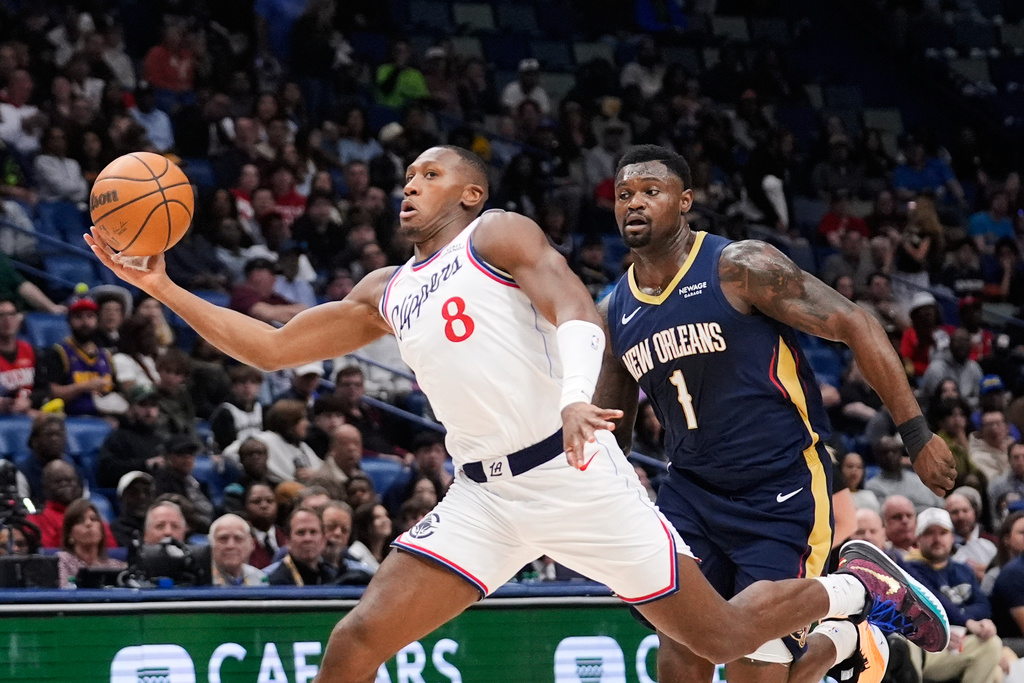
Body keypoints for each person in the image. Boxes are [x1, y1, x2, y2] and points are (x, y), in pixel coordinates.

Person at [87, 144, 949, 681]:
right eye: (405, 177)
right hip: (484, 497)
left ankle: (854, 587)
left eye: (430, 173)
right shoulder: (388, 290)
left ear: (470, 192)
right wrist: (162, 286)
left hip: (576, 474)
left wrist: (579, 395)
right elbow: (270, 346)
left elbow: (576, 308)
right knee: (352, 645)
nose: (409, 186)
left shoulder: (496, 235)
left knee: (720, 640)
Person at [595, 145, 955, 683]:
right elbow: (611, 434)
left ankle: (849, 624)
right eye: (625, 195)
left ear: (686, 201)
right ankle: (848, 632)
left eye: (652, 191)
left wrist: (917, 432)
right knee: (678, 658)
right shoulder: (613, 312)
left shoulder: (740, 267)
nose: (635, 204)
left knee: (756, 671)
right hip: (690, 491)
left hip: (779, 485)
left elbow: (854, 323)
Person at [904, 508, 1005, 683]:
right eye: (929, 533)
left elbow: (983, 607)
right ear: (918, 539)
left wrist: (967, 619)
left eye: (943, 533)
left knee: (994, 651)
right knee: (992, 651)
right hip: (927, 648)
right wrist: (966, 622)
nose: (937, 539)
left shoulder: (963, 570)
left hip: (961, 642)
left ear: (952, 537)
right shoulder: (909, 570)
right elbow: (934, 602)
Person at [39, 296, 120, 417]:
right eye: (78, 317)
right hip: (70, 418)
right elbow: (52, 393)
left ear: (97, 320)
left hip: (104, 418)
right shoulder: (58, 352)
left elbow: (116, 391)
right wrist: (85, 386)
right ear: (69, 321)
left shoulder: (106, 355)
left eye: (90, 316)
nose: (85, 322)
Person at [28, 460, 116, 549]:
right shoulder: (38, 518)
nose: (64, 484)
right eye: (57, 481)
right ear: (45, 487)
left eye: (69, 480)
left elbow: (111, 549)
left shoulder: (90, 515)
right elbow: (49, 555)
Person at [56, 498, 126, 587]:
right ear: (69, 534)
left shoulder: (116, 567)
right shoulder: (60, 562)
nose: (89, 523)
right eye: (80, 521)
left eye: (93, 519)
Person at [265, 506, 336, 586]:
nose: (308, 538)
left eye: (313, 532)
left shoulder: (334, 577)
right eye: (301, 532)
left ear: (324, 540)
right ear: (288, 541)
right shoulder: (275, 582)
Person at [0, 297, 38, 415]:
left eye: (11, 314)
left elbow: (45, 388)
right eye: (1, 315)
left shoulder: (31, 350)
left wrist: (30, 401)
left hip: (29, 410)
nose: (7, 320)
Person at [208, 513, 266, 587]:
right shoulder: (199, 578)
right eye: (223, 538)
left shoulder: (259, 578)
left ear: (251, 545)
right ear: (211, 544)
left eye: (238, 538)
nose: (230, 545)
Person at [243, 482, 286, 569]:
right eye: (256, 501)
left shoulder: (287, 537)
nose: (264, 505)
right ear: (245, 506)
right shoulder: (240, 540)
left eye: (270, 501)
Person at [109, 471, 154, 549]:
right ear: (121, 498)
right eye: (134, 493)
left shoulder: (162, 528)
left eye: (147, 492)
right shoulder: (114, 530)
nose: (142, 497)